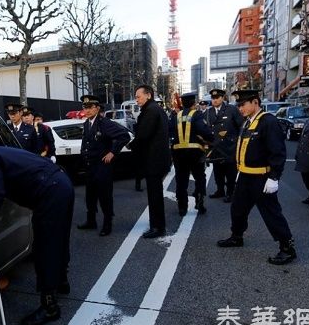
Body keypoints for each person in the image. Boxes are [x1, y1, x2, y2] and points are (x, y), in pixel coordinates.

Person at [0, 131, 74, 325]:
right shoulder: (1, 152)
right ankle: (61, 281)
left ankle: (49, 306)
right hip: (61, 184)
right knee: (59, 239)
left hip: (48, 192)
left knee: (44, 247)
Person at [216, 90, 296, 265]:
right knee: (237, 209)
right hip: (245, 175)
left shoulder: (268, 122)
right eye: (238, 105)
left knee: (271, 213)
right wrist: (239, 171)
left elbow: (278, 152)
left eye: (242, 104)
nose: (240, 109)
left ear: (255, 102)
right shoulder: (247, 122)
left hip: (261, 177)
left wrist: (274, 177)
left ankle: (287, 247)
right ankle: (237, 236)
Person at [77, 95, 131, 236]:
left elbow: (124, 135)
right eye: (85, 107)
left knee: (104, 196)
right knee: (90, 196)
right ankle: (91, 221)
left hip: (102, 167)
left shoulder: (104, 123)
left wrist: (113, 152)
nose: (87, 110)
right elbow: (86, 142)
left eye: (90, 107)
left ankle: (107, 224)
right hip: (90, 167)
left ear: (97, 108)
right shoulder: (87, 123)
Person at [128, 85, 171, 239]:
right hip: (157, 159)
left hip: (154, 160)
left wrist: (130, 145)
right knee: (155, 195)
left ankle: (158, 227)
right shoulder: (155, 109)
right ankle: (157, 225)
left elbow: (144, 135)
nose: (136, 99)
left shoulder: (151, 111)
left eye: (138, 96)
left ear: (148, 95)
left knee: (155, 196)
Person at [169, 92, 214, 217]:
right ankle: (199, 202)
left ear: (182, 103)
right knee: (199, 177)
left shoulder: (175, 116)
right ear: (194, 103)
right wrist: (210, 139)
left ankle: (182, 207)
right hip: (195, 152)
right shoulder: (197, 114)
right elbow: (204, 130)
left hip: (178, 153)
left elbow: (169, 130)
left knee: (181, 179)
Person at [205, 88, 244, 203]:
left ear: (222, 98)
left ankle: (231, 192)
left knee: (231, 172)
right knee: (218, 171)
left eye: (217, 98)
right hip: (216, 147)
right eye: (213, 98)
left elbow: (241, 126)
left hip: (229, 146)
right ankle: (220, 190)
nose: (215, 100)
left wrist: (237, 141)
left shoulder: (231, 109)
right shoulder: (209, 112)